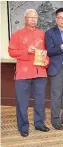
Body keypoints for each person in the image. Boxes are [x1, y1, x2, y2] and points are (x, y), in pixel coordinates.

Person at [8, 9, 50, 137]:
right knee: (22, 102)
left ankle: (39, 123)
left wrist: (46, 61)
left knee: (40, 101)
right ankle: (23, 126)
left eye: (35, 17)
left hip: (40, 73)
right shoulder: (17, 35)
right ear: (25, 18)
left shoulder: (43, 34)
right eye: (31, 17)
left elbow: (47, 52)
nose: (33, 20)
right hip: (23, 73)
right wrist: (26, 51)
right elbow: (12, 52)